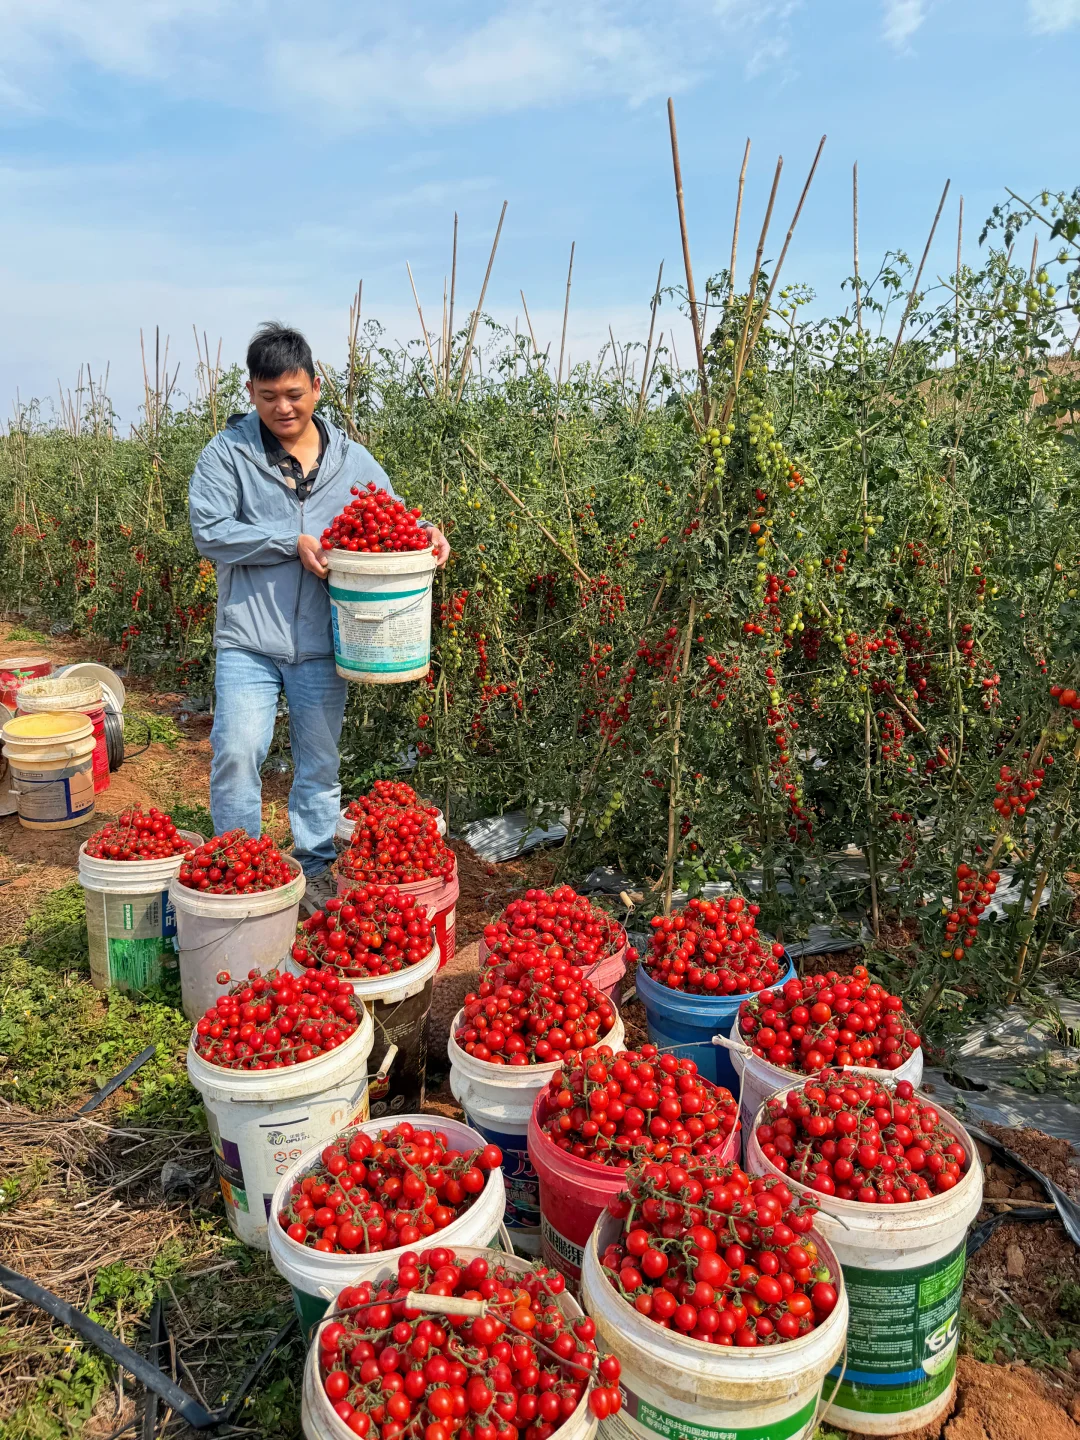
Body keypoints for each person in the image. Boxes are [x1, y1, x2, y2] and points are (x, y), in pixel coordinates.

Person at [188, 322, 448, 911]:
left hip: (326, 642)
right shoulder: (226, 455)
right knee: (237, 750)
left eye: (294, 394)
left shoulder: (352, 461)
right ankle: (240, 863)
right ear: (251, 393)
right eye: (269, 395)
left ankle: (314, 865)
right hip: (249, 639)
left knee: (319, 763)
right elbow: (211, 533)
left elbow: (392, 518)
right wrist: (291, 540)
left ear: (317, 387)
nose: (283, 407)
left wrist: (426, 535)